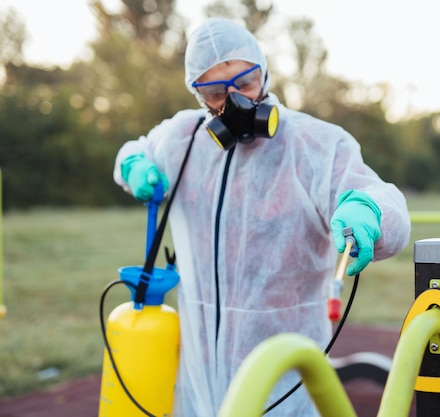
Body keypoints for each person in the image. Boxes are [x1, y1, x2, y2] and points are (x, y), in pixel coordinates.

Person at [113, 16, 411, 417]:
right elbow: (134, 152)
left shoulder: (313, 143)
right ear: (197, 94)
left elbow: (381, 200)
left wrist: (368, 210)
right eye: (215, 91)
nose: (233, 100)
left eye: (245, 82)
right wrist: (133, 165)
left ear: (264, 71)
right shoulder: (183, 138)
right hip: (200, 378)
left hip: (285, 377)